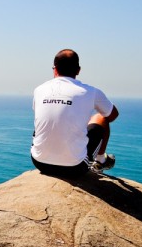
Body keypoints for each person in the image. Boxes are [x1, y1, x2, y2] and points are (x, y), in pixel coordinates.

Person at [31, 49, 119, 178]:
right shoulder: (91, 92)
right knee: (100, 117)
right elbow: (112, 115)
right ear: (78, 70)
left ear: (54, 69)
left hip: (39, 162)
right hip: (74, 167)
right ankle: (100, 161)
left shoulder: (39, 89)